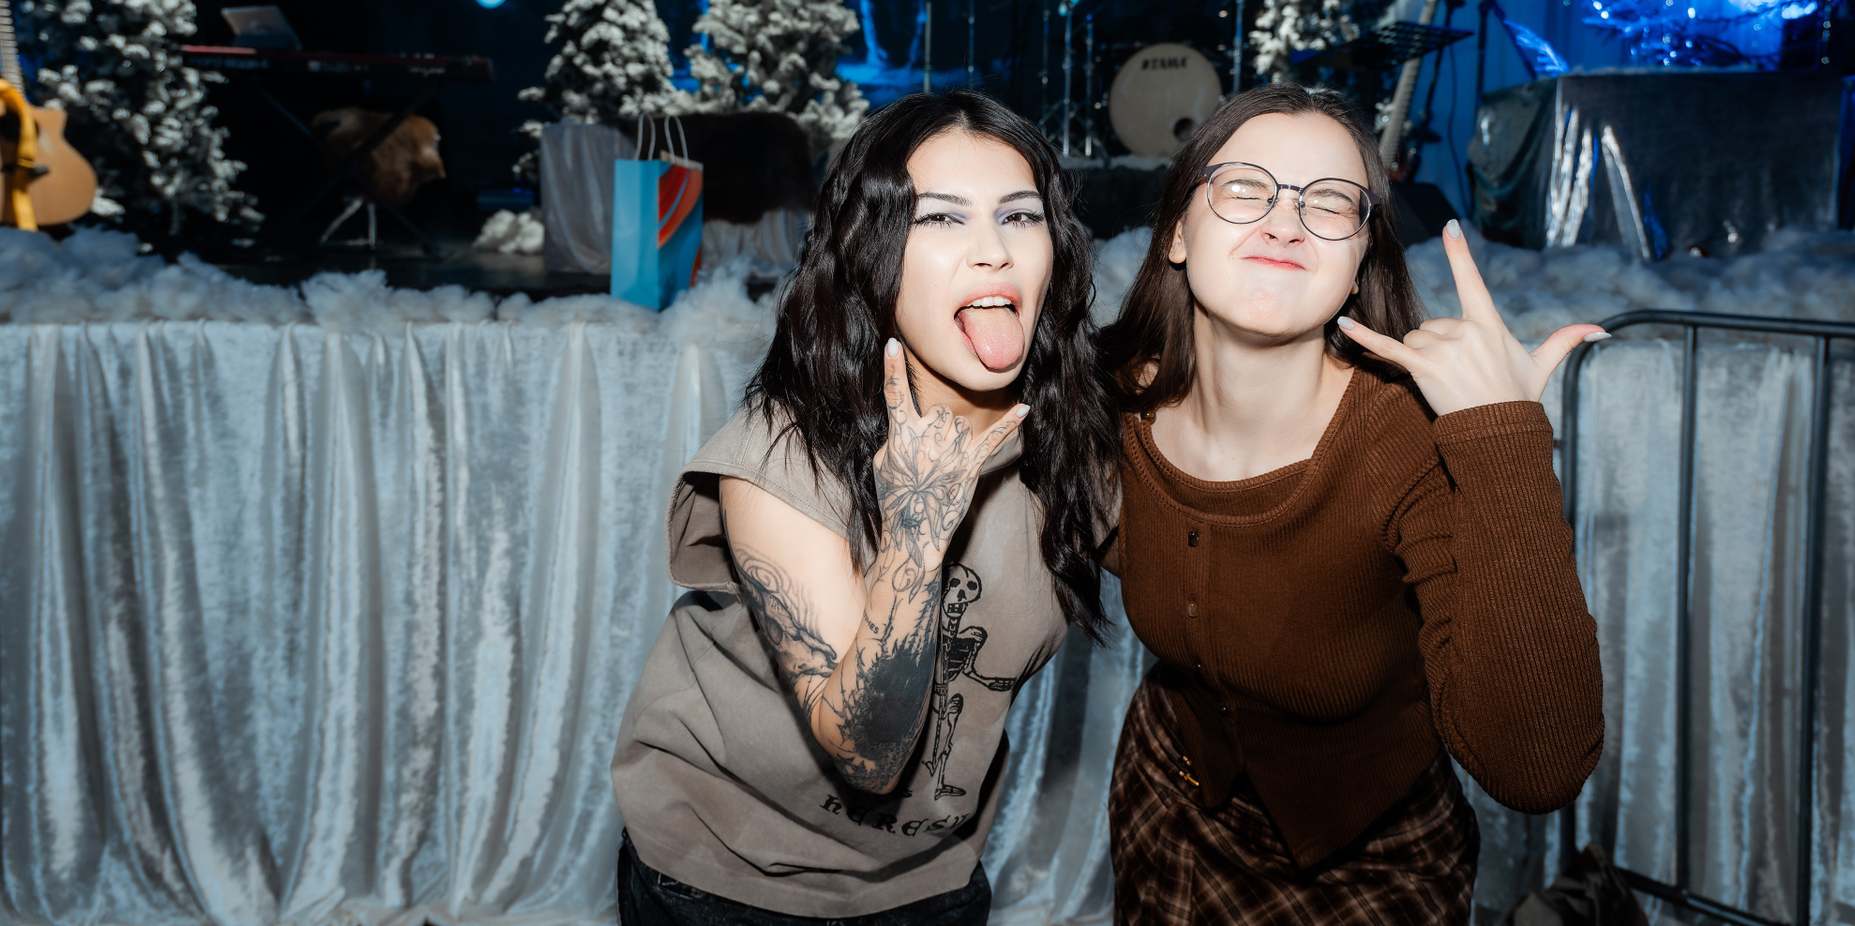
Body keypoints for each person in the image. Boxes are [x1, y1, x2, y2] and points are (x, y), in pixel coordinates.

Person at [1099, 83, 1606, 924]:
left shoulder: (1405, 440)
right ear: (1177, 231)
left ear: (1362, 261)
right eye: (1244, 187)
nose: (1285, 223)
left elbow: (1538, 768)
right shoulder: (1113, 404)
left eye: (1331, 201)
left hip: (1372, 863)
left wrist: (1502, 437)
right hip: (1166, 809)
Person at [612, 91, 1118, 924]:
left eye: (1019, 216)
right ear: (869, 251)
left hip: (927, 874)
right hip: (725, 872)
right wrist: (917, 535)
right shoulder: (781, 453)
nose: (993, 251)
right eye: (941, 218)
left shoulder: (1075, 437)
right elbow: (868, 753)